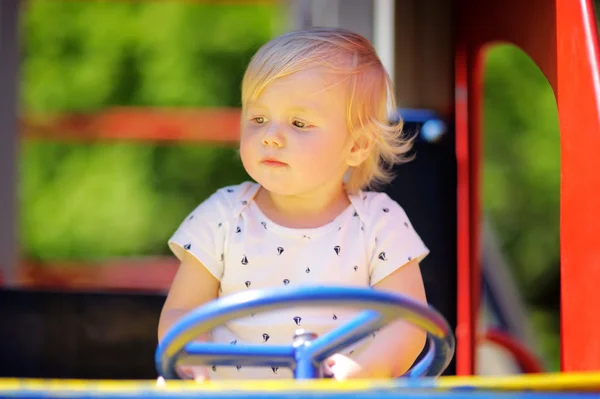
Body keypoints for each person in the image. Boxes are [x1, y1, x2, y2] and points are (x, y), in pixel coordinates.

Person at [158, 27, 429, 381]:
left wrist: (367, 369)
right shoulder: (222, 216)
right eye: (258, 119)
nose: (270, 135)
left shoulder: (379, 223)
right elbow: (181, 310)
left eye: (299, 123)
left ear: (357, 146)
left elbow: (409, 322)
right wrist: (191, 355)